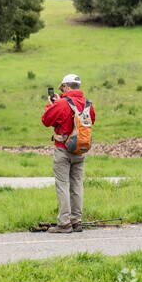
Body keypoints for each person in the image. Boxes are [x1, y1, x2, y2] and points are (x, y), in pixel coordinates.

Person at [41, 73, 96, 234]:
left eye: (63, 87)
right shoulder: (88, 104)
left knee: (62, 185)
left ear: (66, 86)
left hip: (63, 149)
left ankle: (64, 223)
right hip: (81, 150)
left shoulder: (62, 103)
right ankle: (76, 221)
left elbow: (46, 120)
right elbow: (92, 120)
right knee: (77, 185)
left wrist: (50, 105)